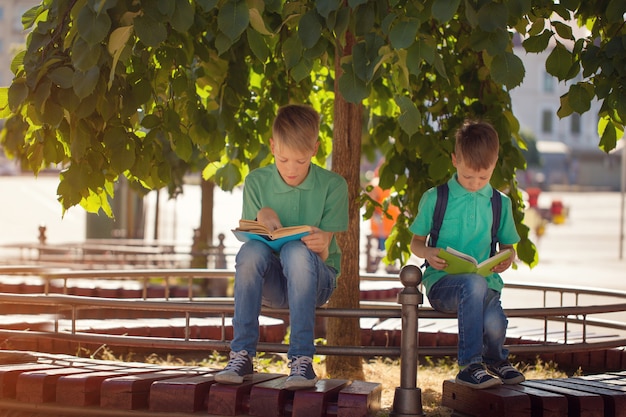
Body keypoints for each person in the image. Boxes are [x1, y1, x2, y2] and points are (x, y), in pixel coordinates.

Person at [215, 104, 349, 390]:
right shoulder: (255, 182)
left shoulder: (333, 185)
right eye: (284, 159)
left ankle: (302, 360)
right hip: (273, 284)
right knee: (249, 252)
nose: (291, 169)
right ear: (273, 146)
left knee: (295, 251)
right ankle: (242, 355)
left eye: (300, 161)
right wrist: (262, 214)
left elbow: (326, 257)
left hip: (317, 281)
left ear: (315, 149)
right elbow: (254, 242)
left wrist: (322, 244)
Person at [408, 120, 525, 389]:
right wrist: (428, 251)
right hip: (443, 285)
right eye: (468, 176)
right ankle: (470, 366)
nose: (475, 183)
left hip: (487, 286)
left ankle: (496, 360)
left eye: (483, 177)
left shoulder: (500, 203)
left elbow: (509, 247)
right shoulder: (435, 198)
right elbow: (416, 243)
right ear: (455, 160)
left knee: (495, 324)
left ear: (495, 163)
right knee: (472, 283)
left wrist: (506, 258)